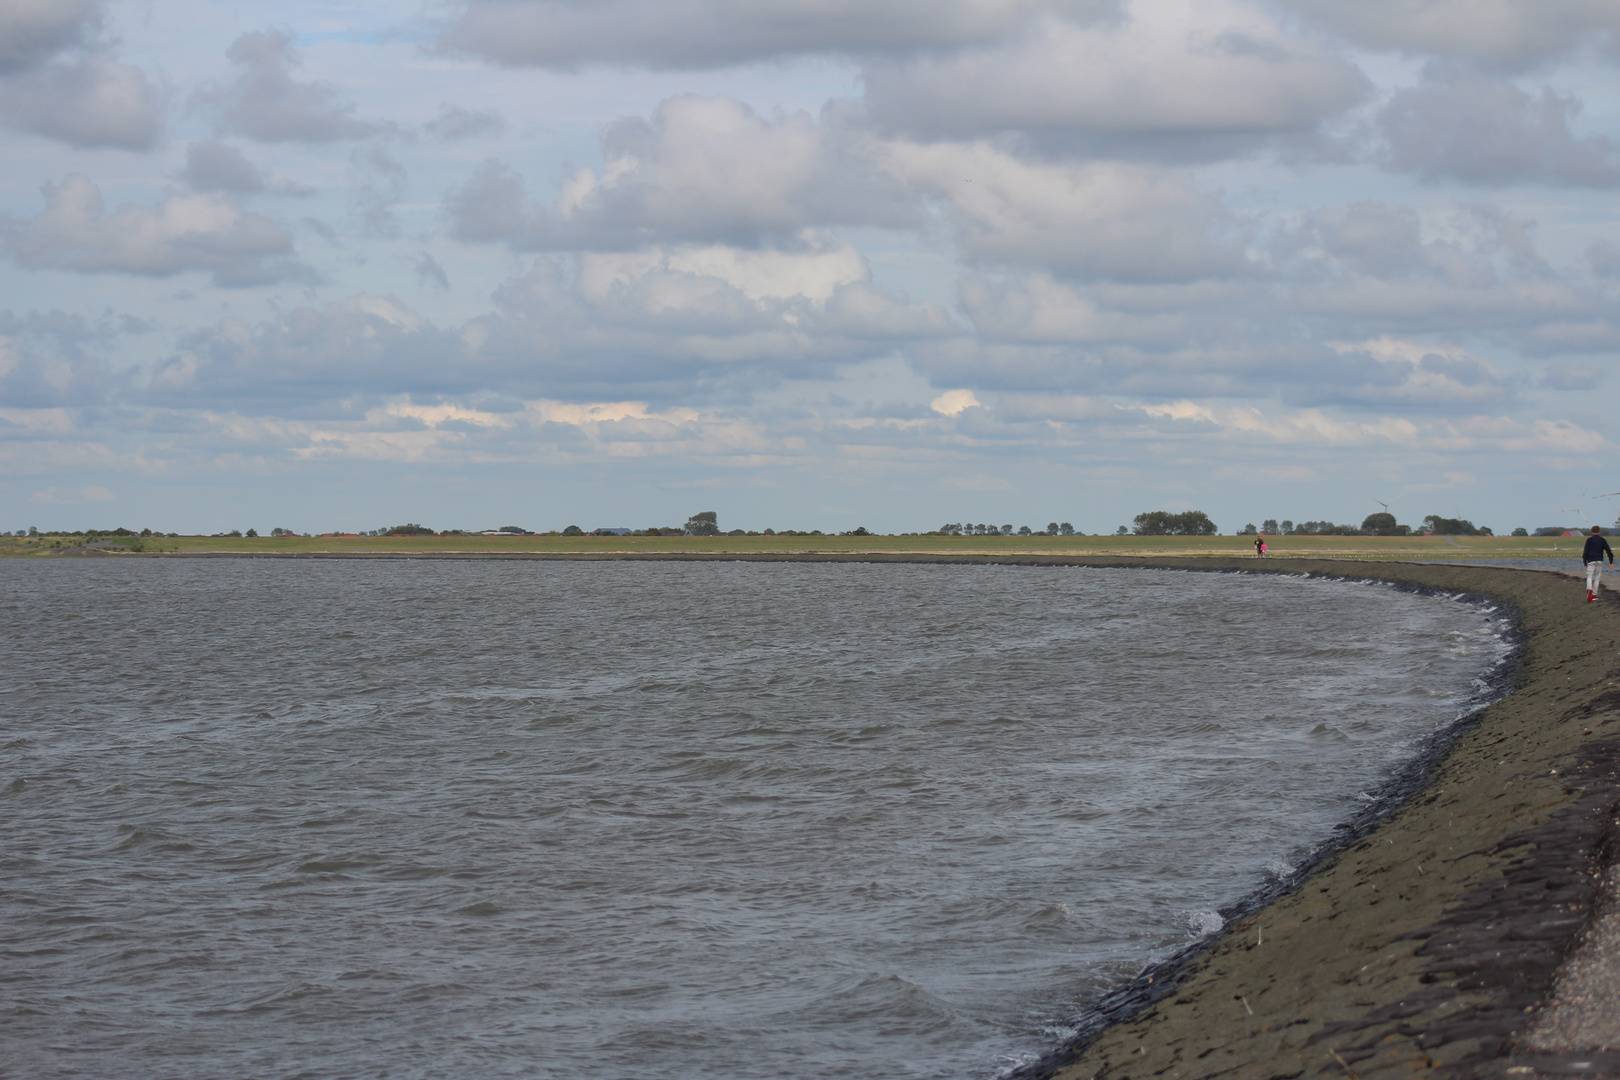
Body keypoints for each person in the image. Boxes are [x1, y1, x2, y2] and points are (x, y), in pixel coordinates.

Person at [1583, 526, 1614, 603]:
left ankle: (1589, 590)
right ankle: (1594, 595)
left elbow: (1585, 552)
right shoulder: (1602, 540)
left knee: (1589, 576)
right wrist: (1611, 562)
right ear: (1599, 532)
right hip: (1599, 560)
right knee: (1597, 577)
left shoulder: (1589, 540)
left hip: (1590, 560)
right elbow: (1608, 551)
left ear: (1592, 532)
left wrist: (1585, 562)